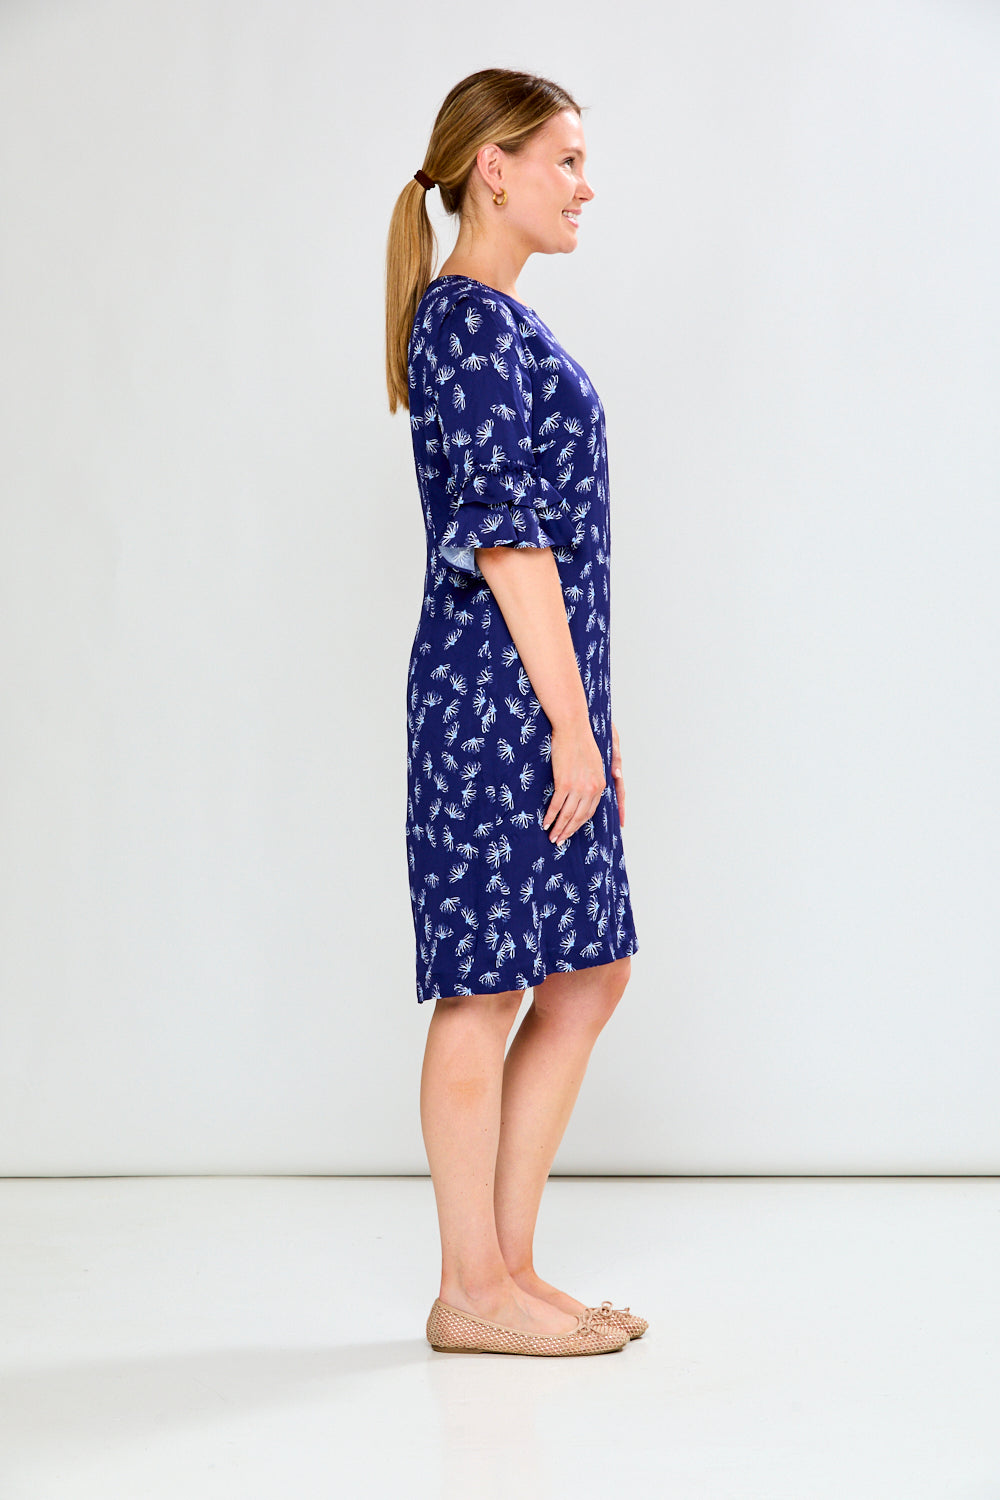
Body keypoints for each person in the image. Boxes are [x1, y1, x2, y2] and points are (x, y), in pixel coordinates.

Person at [384, 68, 646, 1357]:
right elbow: (506, 544)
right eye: (566, 160)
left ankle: (508, 1268)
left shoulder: (499, 323)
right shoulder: (465, 325)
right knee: (487, 991)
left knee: (588, 968)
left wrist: (583, 716)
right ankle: (470, 1289)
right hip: (496, 705)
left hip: (537, 698)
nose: (586, 185)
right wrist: (570, 723)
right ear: (494, 168)